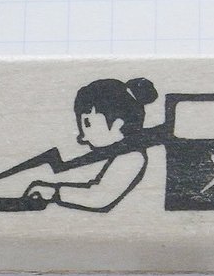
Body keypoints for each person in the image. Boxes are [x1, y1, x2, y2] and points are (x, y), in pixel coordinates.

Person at [24, 77, 157, 211]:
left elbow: (99, 197)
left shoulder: (132, 157)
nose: (82, 137)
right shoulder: (115, 153)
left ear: (118, 124)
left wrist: (54, 192)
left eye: (87, 124)